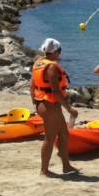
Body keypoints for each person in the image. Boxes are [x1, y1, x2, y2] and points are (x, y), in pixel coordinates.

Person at [30, 38, 80, 177]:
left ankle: (66, 166)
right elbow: (56, 91)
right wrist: (69, 109)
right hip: (50, 106)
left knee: (64, 134)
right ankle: (44, 170)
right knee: (49, 138)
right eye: (59, 51)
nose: (60, 54)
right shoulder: (51, 67)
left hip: (44, 104)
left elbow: (32, 85)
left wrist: (34, 102)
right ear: (54, 52)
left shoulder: (38, 63)